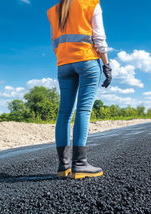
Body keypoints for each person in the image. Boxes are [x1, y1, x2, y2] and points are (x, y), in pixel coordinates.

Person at [47, 0, 112, 179]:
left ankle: (64, 165)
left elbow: (55, 43)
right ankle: (80, 164)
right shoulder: (91, 4)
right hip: (87, 61)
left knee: (64, 114)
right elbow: (99, 38)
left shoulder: (54, 11)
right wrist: (107, 65)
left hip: (63, 64)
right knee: (83, 110)